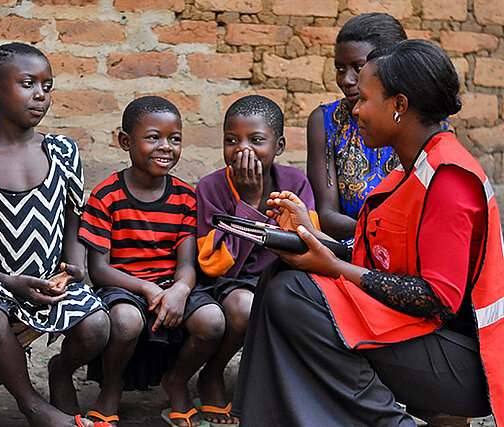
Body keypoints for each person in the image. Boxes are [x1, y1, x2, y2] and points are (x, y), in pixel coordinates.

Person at [232, 39, 504, 426]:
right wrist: (311, 236)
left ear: (400, 106)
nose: (355, 109)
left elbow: (436, 299)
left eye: (364, 99)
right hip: (426, 337)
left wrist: (333, 267)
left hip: (463, 363)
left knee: (293, 295)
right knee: (281, 276)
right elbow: (377, 258)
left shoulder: (449, 179)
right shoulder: (407, 170)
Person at [0, 42, 111, 427]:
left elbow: (71, 217)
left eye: (47, 86)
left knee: (98, 325)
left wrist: (74, 265)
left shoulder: (62, 151)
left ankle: (61, 370)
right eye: (28, 83)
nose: (40, 96)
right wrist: (7, 281)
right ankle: (31, 404)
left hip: (50, 279)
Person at [79, 96, 225, 427]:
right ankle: (111, 388)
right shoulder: (106, 197)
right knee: (127, 321)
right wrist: (147, 289)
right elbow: (99, 270)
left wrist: (180, 290)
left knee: (212, 321)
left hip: (170, 284)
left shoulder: (185, 198)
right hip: (124, 287)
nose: (166, 147)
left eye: (175, 139)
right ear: (125, 141)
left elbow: (187, 263)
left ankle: (177, 379)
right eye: (153, 137)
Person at [195, 95, 315, 425]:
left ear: (279, 145)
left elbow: (307, 244)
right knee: (243, 307)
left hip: (283, 276)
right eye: (231, 141)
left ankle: (288, 391)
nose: (242, 150)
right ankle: (213, 372)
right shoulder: (211, 188)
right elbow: (215, 266)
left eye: (256, 140)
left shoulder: (295, 182)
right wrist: (247, 204)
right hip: (229, 283)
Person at [306, 13, 406, 242]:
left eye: (358, 67)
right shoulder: (325, 122)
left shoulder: (415, 120)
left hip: (411, 253)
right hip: (350, 248)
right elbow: (327, 215)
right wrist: (380, 234)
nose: (346, 80)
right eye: (340, 69)